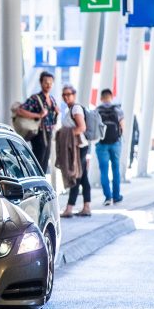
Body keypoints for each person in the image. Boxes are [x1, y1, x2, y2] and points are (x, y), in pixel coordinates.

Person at [15, 71, 59, 174]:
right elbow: (20, 110)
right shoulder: (35, 98)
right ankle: (35, 184)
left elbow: (53, 120)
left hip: (48, 133)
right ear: (41, 83)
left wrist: (56, 112)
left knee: (45, 161)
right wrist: (38, 115)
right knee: (38, 160)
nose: (48, 85)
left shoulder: (52, 99)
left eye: (50, 82)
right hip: (39, 133)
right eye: (46, 82)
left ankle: (41, 184)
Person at [57, 85, 91, 217]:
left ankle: (69, 208)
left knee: (76, 176)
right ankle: (86, 206)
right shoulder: (69, 109)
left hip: (79, 147)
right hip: (76, 147)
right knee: (82, 177)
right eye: (64, 94)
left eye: (68, 94)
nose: (66, 97)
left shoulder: (76, 108)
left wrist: (67, 137)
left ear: (74, 95)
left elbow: (81, 127)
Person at [95, 89, 124, 206]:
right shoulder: (118, 109)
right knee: (116, 170)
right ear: (111, 97)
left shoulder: (97, 110)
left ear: (101, 98)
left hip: (102, 144)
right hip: (115, 143)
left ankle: (108, 197)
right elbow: (122, 126)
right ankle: (116, 196)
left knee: (104, 171)